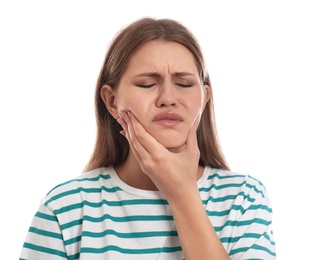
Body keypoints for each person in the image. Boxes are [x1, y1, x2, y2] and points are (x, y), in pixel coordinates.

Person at [20, 17, 276, 259]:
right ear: (112, 101)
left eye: (184, 84)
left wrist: (183, 194)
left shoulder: (244, 197)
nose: (168, 98)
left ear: (204, 99)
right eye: (146, 84)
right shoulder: (65, 207)